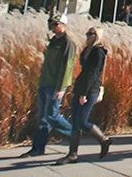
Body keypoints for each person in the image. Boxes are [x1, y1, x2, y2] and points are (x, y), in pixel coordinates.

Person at [53, 25, 111, 164]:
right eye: (87, 33)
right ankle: (72, 154)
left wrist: (84, 93)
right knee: (75, 122)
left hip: (90, 90)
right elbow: (84, 70)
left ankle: (103, 140)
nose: (87, 35)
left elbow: (93, 74)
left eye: (90, 33)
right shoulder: (87, 50)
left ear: (97, 35)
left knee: (82, 121)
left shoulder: (98, 52)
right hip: (81, 87)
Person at [21, 14, 76, 157]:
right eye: (51, 23)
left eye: (56, 24)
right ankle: (38, 148)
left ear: (64, 25)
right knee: (43, 118)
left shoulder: (67, 43)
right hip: (45, 82)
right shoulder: (53, 41)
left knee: (52, 115)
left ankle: (75, 135)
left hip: (55, 84)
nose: (52, 26)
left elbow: (67, 67)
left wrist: (61, 87)